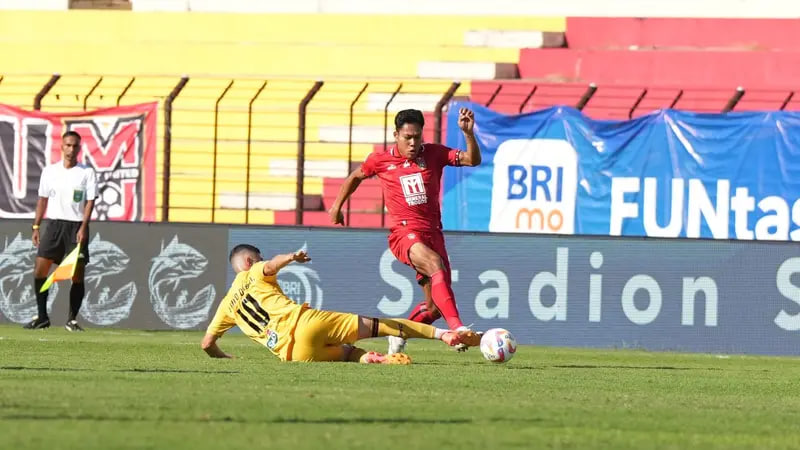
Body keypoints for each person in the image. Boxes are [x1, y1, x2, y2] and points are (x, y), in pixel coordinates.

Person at [328, 108, 481, 354]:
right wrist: (337, 206)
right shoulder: (379, 160)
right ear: (396, 135)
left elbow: (472, 160)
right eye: (407, 137)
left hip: (433, 233)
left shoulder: (434, 153)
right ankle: (458, 329)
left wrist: (468, 134)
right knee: (433, 264)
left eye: (417, 137)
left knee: (433, 309)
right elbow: (355, 177)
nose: (412, 142)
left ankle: (398, 336)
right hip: (404, 233)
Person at [201, 244, 481, 363]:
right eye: (257, 257)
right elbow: (272, 265)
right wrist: (291, 258)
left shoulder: (227, 304)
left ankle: (378, 360)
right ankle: (445, 334)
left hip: (293, 355)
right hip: (305, 324)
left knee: (347, 355)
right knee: (382, 326)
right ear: (250, 261)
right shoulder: (254, 270)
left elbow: (207, 344)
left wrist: (223, 356)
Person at [24, 131, 97, 331]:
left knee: (77, 275)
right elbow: (42, 200)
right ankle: (42, 316)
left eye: (75, 146)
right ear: (61, 146)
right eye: (68, 145)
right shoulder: (50, 171)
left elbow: (90, 202)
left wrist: (83, 227)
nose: (71, 149)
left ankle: (71, 319)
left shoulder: (86, 172)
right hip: (54, 225)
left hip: (75, 227)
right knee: (40, 269)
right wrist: (36, 226)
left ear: (79, 149)